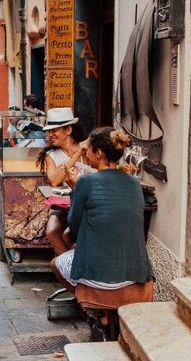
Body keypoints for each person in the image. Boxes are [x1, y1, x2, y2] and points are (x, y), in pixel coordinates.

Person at [52, 127, 154, 291]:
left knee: (56, 264)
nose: (86, 154)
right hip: (135, 273)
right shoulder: (135, 183)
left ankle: (90, 305)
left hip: (100, 275)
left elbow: (74, 226)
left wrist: (75, 189)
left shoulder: (86, 181)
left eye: (88, 150)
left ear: (98, 153)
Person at [37, 107, 93, 256]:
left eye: (54, 130)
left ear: (68, 130)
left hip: (87, 203)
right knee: (52, 231)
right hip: (62, 206)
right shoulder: (50, 154)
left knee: (75, 233)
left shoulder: (88, 150)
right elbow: (54, 181)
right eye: (49, 131)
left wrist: (81, 152)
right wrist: (75, 156)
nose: (50, 135)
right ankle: (65, 268)